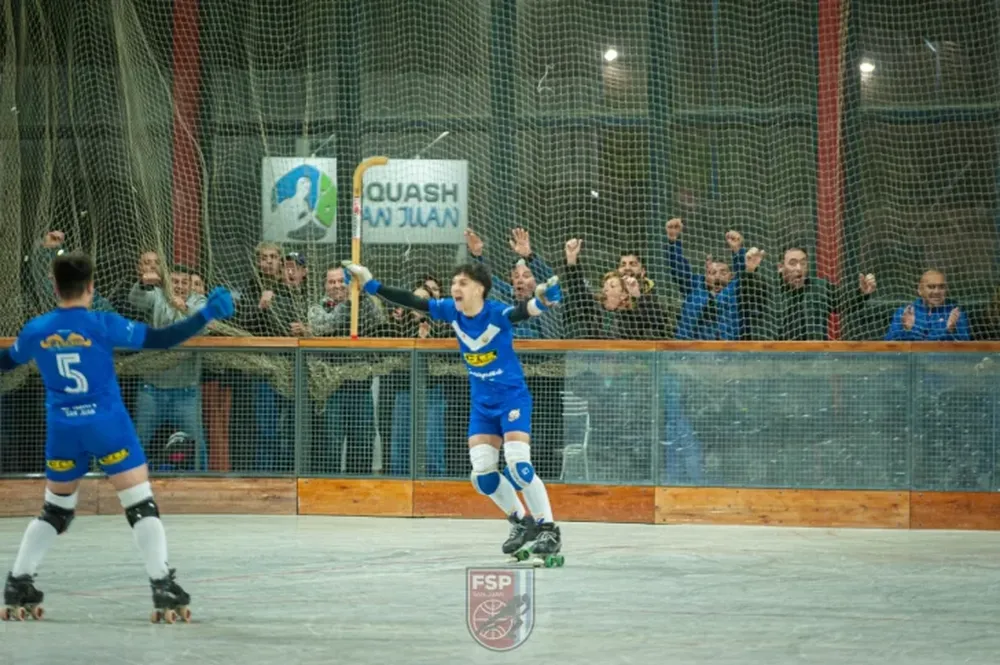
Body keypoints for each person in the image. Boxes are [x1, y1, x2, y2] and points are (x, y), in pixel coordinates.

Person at [0, 251, 235, 623]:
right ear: (91, 287)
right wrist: (204, 315)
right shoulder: (102, 324)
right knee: (140, 504)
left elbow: (6, 361)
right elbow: (163, 339)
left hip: (63, 430)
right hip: (107, 425)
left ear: (55, 287)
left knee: (56, 510)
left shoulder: (35, 329)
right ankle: (162, 585)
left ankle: (17, 582)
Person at [343, 259, 566, 564]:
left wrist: (542, 299)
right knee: (483, 475)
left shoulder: (496, 313)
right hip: (482, 405)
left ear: (479, 289)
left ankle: (548, 529)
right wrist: (370, 283)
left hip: (512, 399)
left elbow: (523, 311)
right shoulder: (450, 310)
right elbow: (412, 300)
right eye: (453, 283)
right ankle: (521, 522)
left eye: (462, 283)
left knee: (518, 467)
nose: (454, 288)